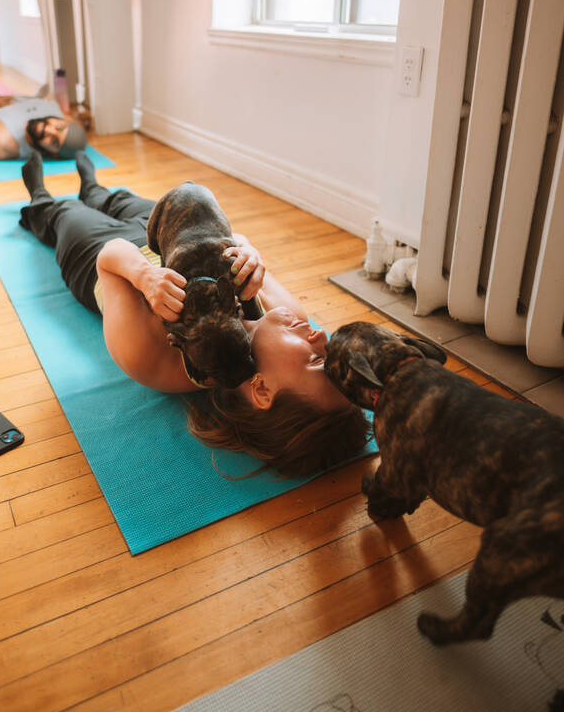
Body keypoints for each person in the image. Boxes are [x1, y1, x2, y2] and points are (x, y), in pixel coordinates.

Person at [19, 150, 370, 478]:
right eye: (332, 354)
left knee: (65, 214)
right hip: (175, 242)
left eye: (315, 360)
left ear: (262, 390)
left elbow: (113, 255)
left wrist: (144, 277)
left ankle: (40, 198)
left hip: (106, 261)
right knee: (119, 200)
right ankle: (93, 186)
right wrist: (248, 251)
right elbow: (234, 238)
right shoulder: (288, 314)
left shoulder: (156, 363)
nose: (322, 337)